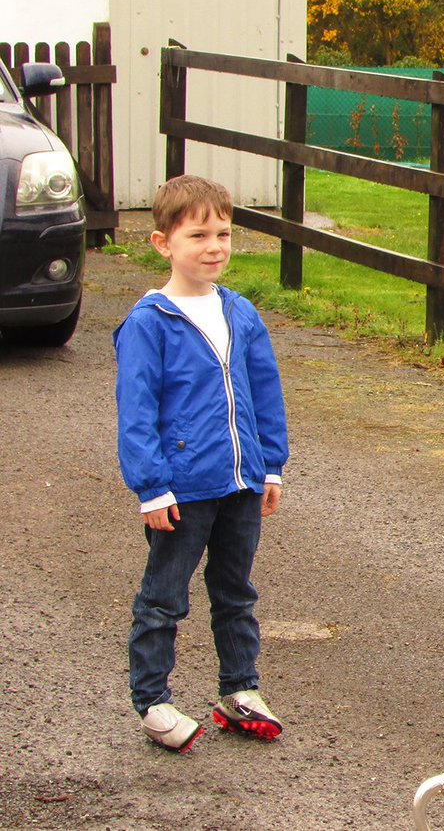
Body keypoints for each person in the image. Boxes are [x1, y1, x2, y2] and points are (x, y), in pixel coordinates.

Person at [114, 174, 289, 753]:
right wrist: (152, 486)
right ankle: (153, 700)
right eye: (198, 235)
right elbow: (136, 412)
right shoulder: (148, 323)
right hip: (182, 489)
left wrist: (270, 465)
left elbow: (265, 391)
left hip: (240, 482)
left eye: (224, 233)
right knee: (165, 595)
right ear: (163, 243)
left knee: (235, 591)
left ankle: (239, 689)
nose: (215, 246)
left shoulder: (240, 312)